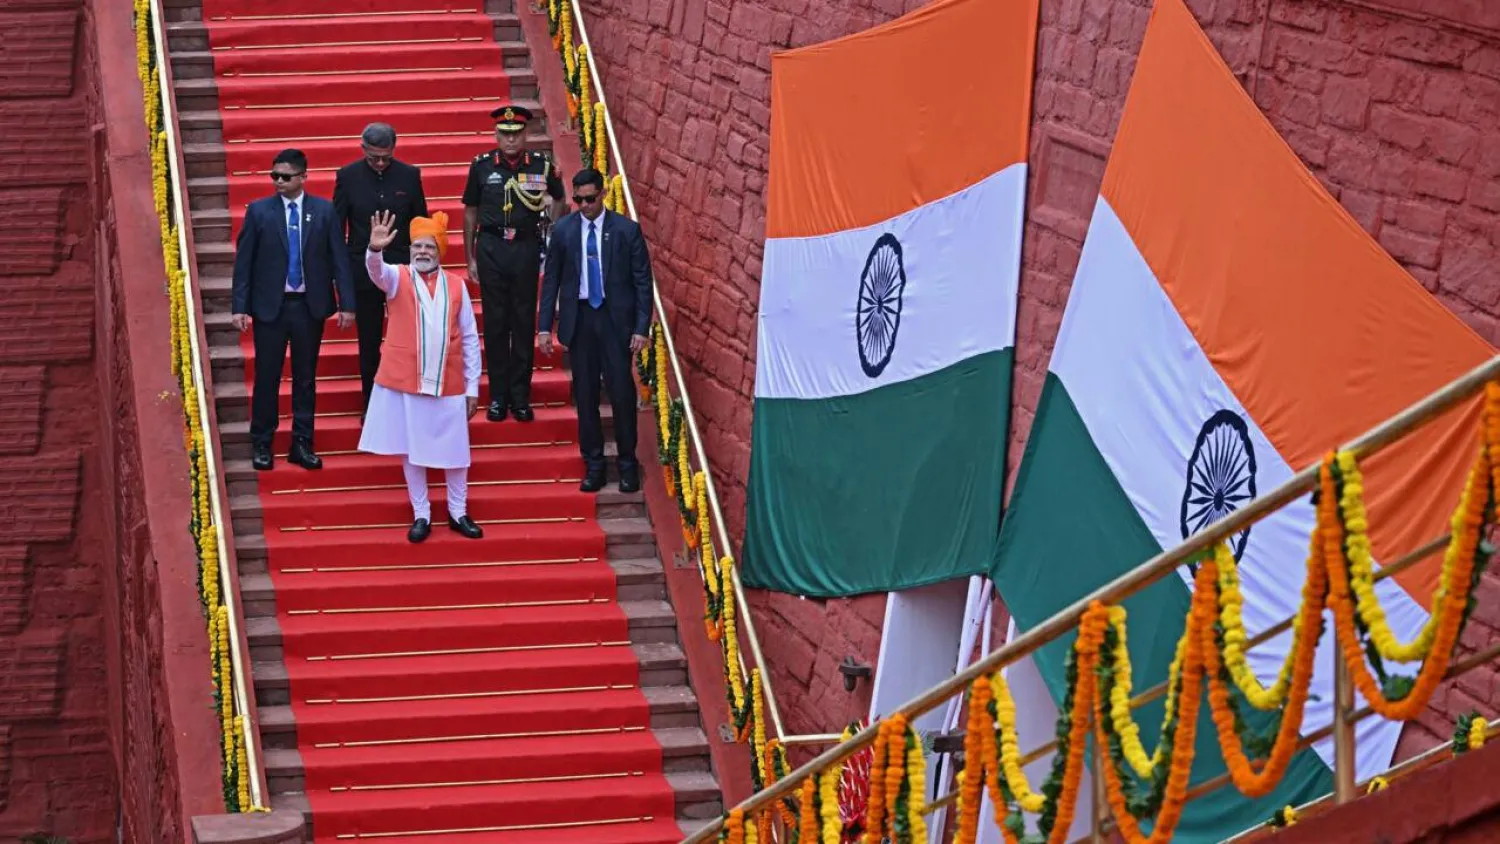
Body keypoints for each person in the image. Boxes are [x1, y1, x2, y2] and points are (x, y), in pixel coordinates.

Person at [357, 209, 485, 542]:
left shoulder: (457, 286)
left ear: (440, 251)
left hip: (451, 381)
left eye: (429, 247)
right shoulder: (397, 277)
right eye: (417, 247)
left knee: (455, 452)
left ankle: (458, 512)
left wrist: (473, 387)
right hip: (407, 381)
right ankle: (422, 514)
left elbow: (470, 338)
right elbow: (376, 272)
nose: (423, 252)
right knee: (412, 451)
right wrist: (374, 249)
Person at [231, 148, 354, 472]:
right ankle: (262, 442)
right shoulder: (259, 212)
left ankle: (302, 442)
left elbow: (338, 259)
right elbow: (244, 263)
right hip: (270, 307)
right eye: (275, 176)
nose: (279, 182)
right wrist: (239, 307)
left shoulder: (324, 212)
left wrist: (347, 304)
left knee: (305, 378)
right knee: (267, 377)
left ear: (303, 177)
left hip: (308, 307)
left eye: (285, 176)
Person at [539, 168, 653, 494]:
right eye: (579, 199)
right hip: (581, 320)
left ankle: (628, 465)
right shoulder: (563, 231)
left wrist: (642, 326)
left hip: (615, 322)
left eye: (590, 198)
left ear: (602, 194)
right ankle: (594, 465)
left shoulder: (626, 230)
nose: (585, 205)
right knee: (586, 396)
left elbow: (642, 282)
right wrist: (545, 326)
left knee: (621, 394)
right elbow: (552, 282)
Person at [462, 103, 566, 424]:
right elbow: (470, 211)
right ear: (496, 134)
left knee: (522, 321)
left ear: (526, 134)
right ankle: (497, 397)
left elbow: (559, 198)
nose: (510, 140)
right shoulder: (481, 166)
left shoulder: (541, 165)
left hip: (525, 246)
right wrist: (470, 255)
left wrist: (550, 229)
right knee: (495, 323)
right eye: (504, 134)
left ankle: (520, 396)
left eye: (516, 133)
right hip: (491, 246)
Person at [333, 122, 429, 416]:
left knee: (409, 337)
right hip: (362, 270)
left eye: (386, 157)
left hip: (402, 269)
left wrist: (422, 269)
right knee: (369, 340)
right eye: (374, 157)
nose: (380, 163)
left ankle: (410, 399)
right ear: (363, 150)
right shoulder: (347, 177)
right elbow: (337, 228)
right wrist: (341, 278)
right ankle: (372, 403)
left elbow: (420, 224)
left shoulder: (409, 175)